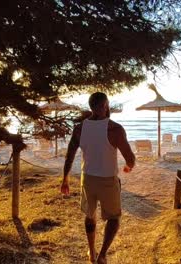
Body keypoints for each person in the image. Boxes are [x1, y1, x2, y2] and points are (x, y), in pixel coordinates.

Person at [60, 92, 136, 264]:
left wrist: (65, 178)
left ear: (91, 107)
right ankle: (102, 255)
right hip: (108, 180)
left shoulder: (79, 128)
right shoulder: (114, 129)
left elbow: (69, 155)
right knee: (114, 218)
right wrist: (128, 167)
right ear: (105, 105)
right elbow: (130, 158)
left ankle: (91, 252)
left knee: (90, 215)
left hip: (87, 179)